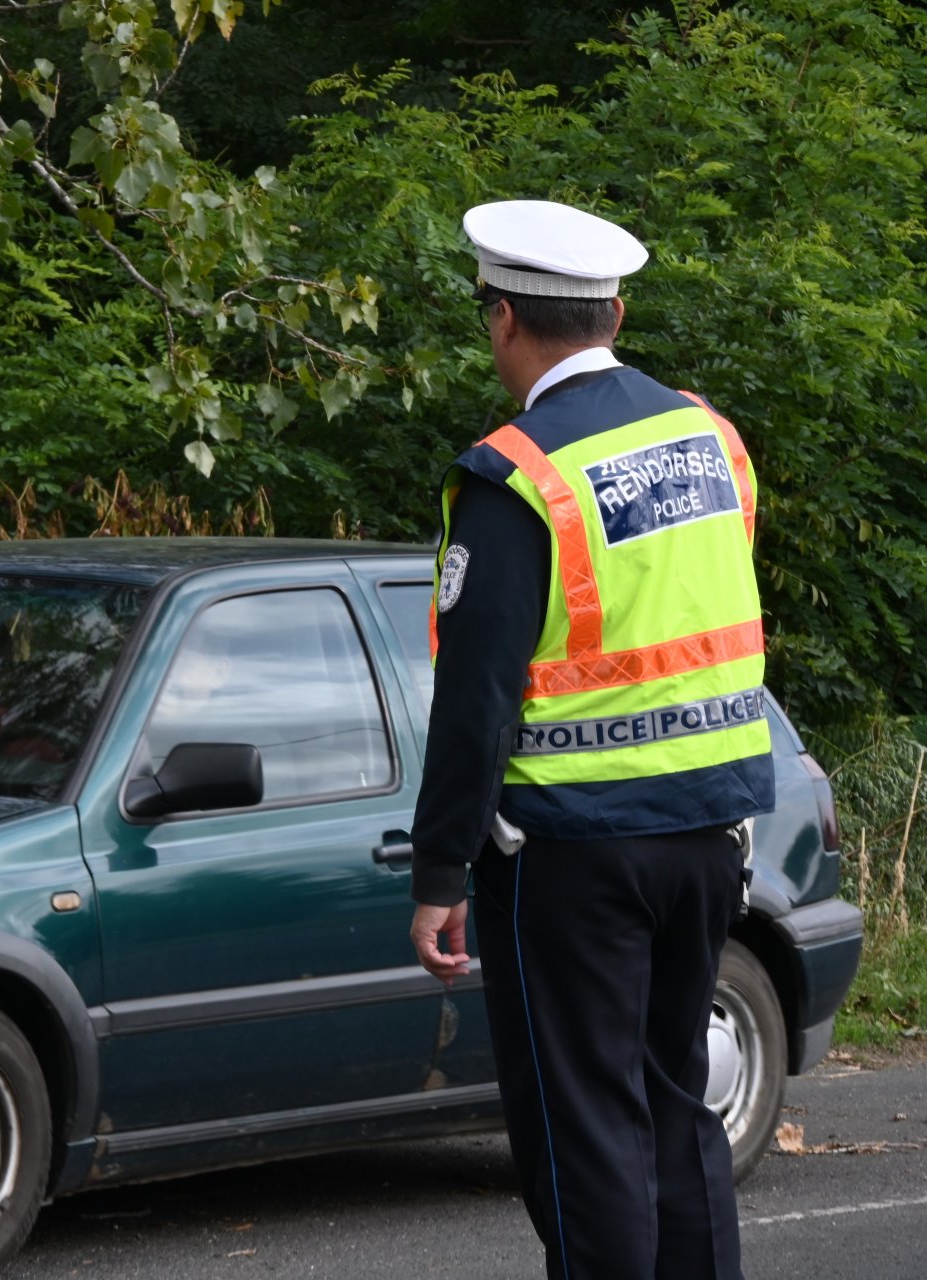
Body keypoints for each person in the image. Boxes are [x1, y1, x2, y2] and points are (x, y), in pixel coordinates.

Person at [405, 199, 774, 1280]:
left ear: (505, 318)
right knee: (675, 1102)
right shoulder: (711, 439)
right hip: (711, 833)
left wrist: (438, 870)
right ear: (615, 312)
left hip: (572, 855)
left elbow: (477, 694)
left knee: (584, 1130)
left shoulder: (517, 474)